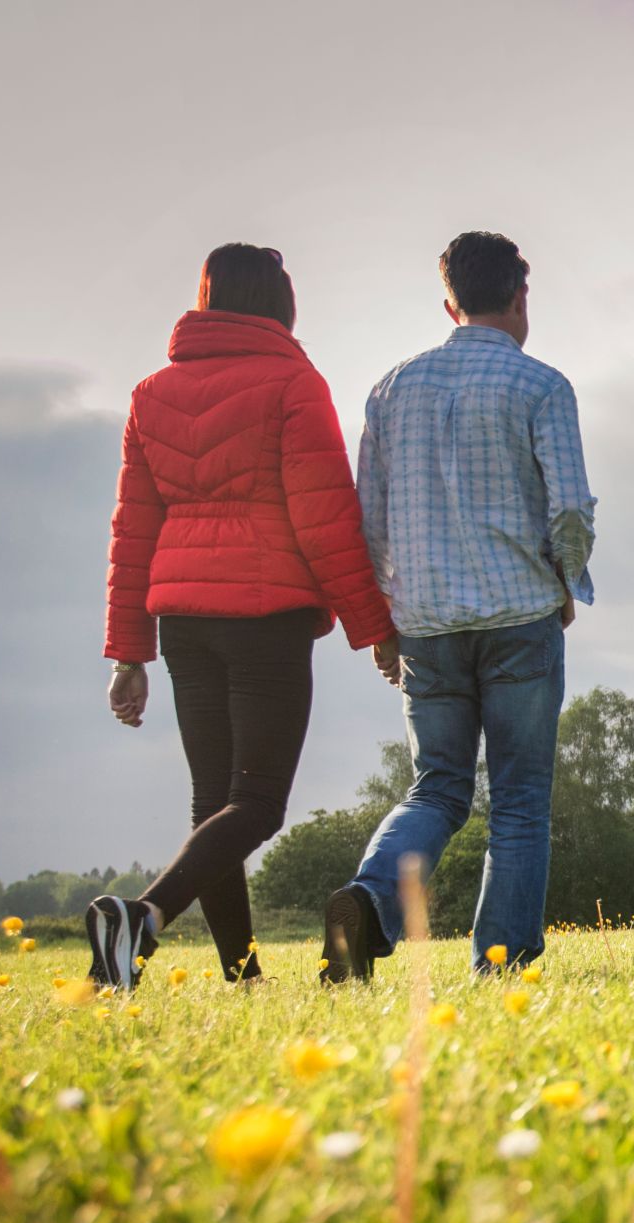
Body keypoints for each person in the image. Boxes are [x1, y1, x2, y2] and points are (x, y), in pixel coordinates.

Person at [89, 244, 399, 990]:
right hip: (266, 616)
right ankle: (145, 918)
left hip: (184, 619)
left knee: (214, 802)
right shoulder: (293, 381)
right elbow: (325, 520)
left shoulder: (151, 392)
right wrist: (375, 627)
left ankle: (245, 978)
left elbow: (133, 527)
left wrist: (128, 653)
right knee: (256, 804)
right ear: (279, 304)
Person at [322, 231, 596, 980]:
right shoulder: (542, 386)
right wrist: (566, 580)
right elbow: (569, 508)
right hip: (519, 617)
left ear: (449, 303)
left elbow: (368, 520)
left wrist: (385, 623)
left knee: (436, 787)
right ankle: (500, 966)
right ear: (521, 296)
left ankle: (368, 898)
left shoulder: (390, 390)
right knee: (518, 801)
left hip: (426, 626)